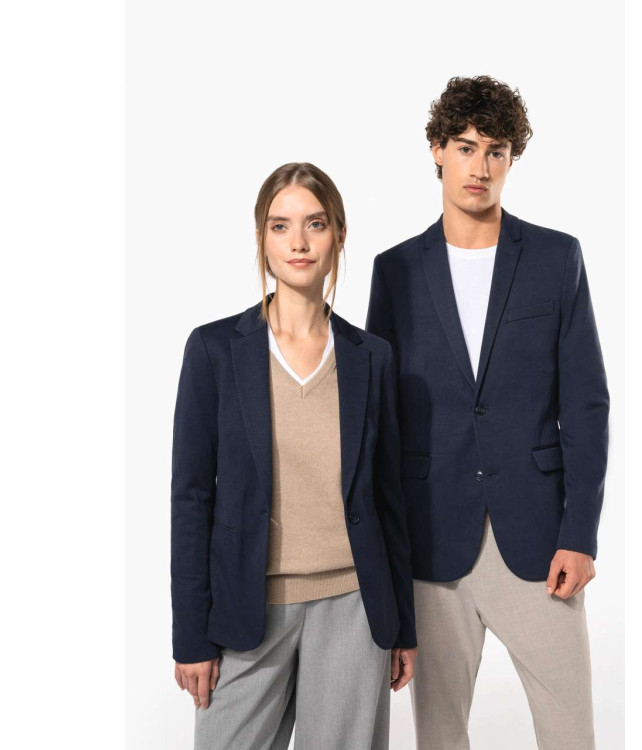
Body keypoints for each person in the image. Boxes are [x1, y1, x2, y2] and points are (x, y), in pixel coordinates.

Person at [366, 75, 609, 749]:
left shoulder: (557, 258)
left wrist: (581, 534)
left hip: (539, 541)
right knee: (439, 736)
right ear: (437, 151)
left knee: (570, 733)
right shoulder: (395, 271)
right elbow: (381, 420)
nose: (480, 166)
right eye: (466, 147)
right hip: (432, 541)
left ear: (511, 159)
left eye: (496, 150)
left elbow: (586, 402)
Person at [171, 162, 418, 750]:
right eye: (280, 226)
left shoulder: (371, 357)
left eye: (316, 223)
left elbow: (390, 499)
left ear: (339, 236)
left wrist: (402, 626)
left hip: (354, 606)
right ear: (262, 238)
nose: (299, 242)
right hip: (246, 607)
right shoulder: (213, 350)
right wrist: (191, 637)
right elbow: (191, 500)